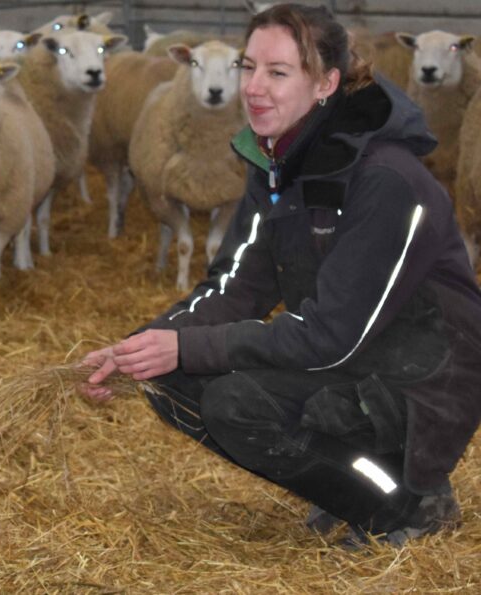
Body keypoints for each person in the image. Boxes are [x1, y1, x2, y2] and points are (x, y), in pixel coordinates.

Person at [82, 3, 481, 546]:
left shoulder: (386, 181)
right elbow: (235, 286)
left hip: (426, 371)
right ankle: (351, 486)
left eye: (277, 72)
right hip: (355, 353)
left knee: (235, 403)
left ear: (325, 83)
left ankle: (405, 501)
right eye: (248, 67)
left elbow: (331, 337)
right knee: (169, 382)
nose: (253, 87)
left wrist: (190, 349)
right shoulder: (278, 165)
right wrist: (140, 349)